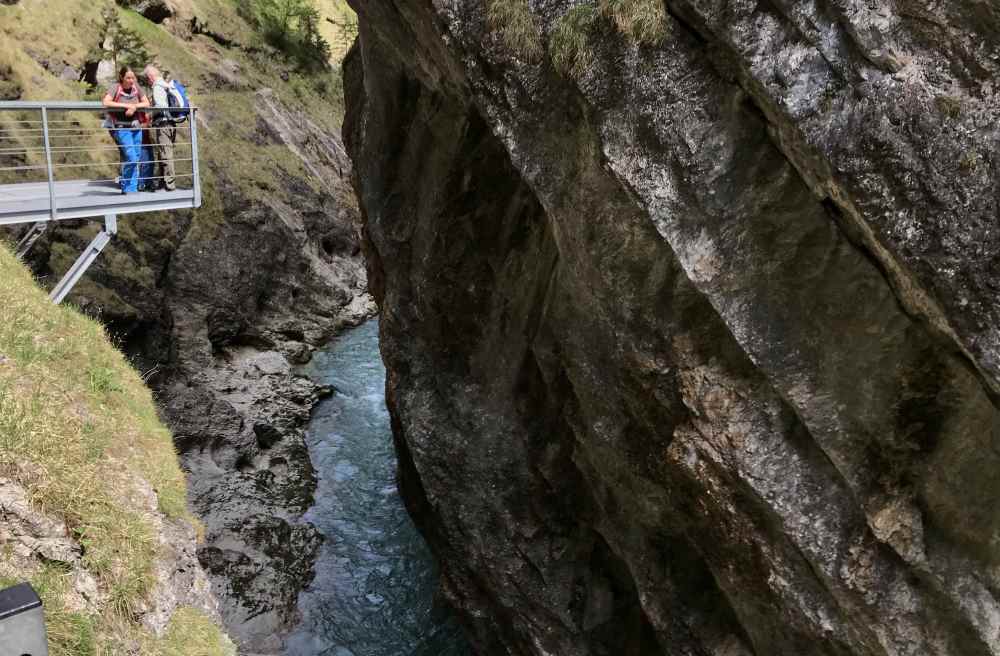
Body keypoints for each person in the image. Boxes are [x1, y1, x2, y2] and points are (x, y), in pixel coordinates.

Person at [102, 67, 150, 194]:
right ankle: (126, 186)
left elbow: (146, 103)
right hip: (121, 128)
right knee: (131, 157)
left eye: (133, 77)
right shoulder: (115, 87)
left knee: (136, 157)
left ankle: (131, 188)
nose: (131, 80)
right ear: (122, 77)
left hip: (135, 127)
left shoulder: (136, 88)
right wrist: (126, 105)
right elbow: (106, 102)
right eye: (128, 78)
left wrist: (134, 106)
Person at [143, 65, 177, 192]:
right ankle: (164, 181)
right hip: (171, 123)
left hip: (163, 124)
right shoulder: (166, 85)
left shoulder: (157, 87)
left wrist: (150, 113)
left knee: (165, 153)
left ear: (151, 76)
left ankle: (169, 184)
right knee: (165, 152)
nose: (148, 81)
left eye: (147, 79)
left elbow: (161, 105)